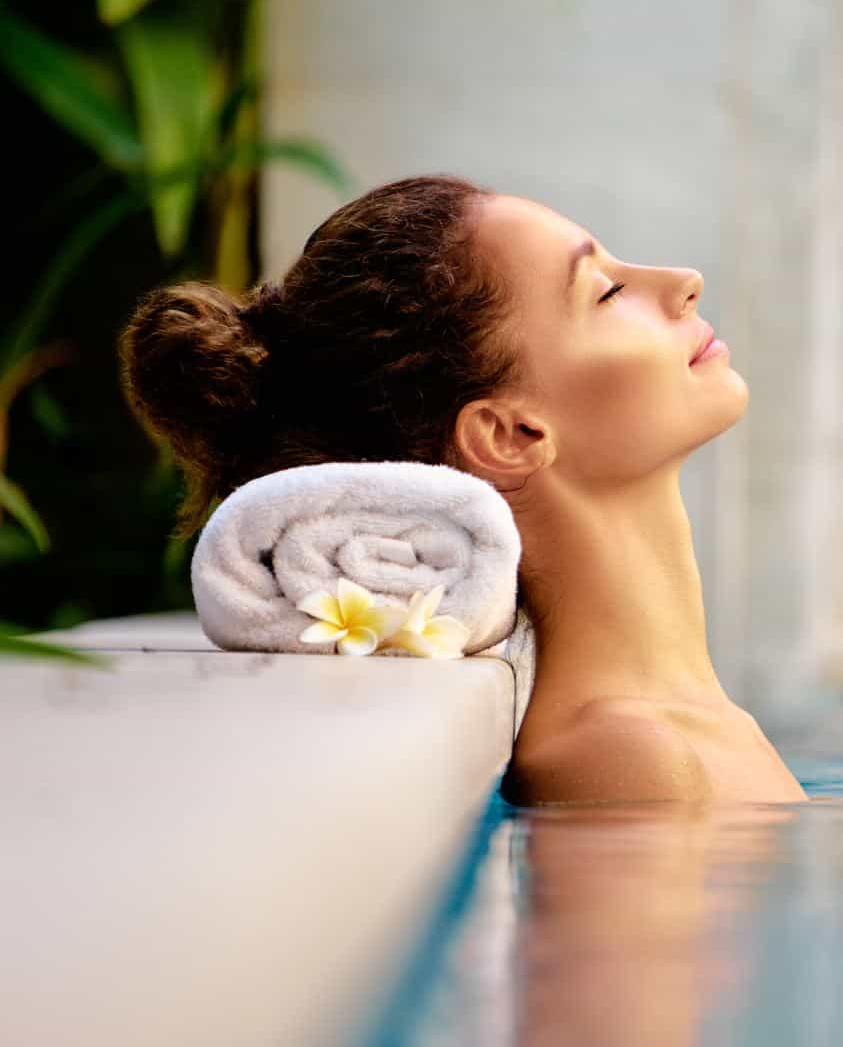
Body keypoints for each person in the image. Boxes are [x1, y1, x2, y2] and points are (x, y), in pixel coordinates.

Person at [119, 175, 807, 805]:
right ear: (512, 435)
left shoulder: (694, 732)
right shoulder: (626, 760)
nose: (684, 281)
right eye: (605, 292)